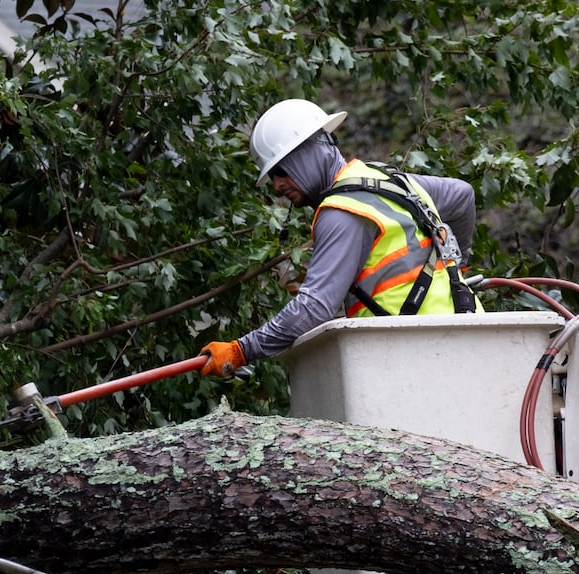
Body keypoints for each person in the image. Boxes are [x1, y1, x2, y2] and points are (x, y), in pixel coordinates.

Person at [199, 98, 479, 377]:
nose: (276, 185)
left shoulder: (342, 212)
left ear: (309, 152)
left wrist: (241, 350)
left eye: (280, 171)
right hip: (470, 331)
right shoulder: (386, 179)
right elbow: (462, 195)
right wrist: (460, 266)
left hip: (416, 355)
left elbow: (313, 308)